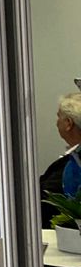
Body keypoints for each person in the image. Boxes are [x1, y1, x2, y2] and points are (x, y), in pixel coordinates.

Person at [40, 89, 81, 225]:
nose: (56, 123)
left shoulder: (73, 165)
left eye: (59, 117)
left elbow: (46, 200)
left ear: (68, 123)